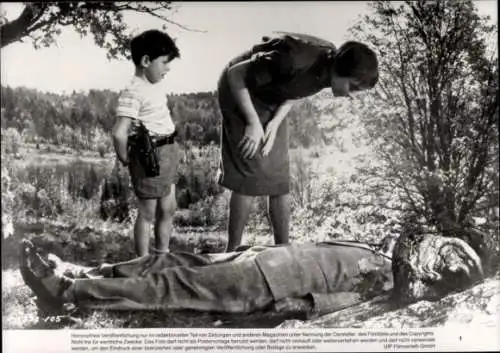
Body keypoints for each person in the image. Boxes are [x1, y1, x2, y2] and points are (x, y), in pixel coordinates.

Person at [216, 32, 379, 251]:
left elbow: (295, 91)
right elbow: (234, 74)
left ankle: (284, 250)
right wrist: (253, 122)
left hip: (271, 96)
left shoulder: (329, 71)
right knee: (250, 167)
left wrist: (274, 124)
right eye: (353, 87)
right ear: (342, 71)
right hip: (240, 89)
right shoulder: (296, 59)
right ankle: (231, 251)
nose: (351, 95)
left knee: (279, 177)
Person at [19, 239, 394, 318]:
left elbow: (336, 302)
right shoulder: (377, 251)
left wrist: (288, 308)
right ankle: (86, 272)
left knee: (171, 284)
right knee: (168, 260)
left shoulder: (392, 279)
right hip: (261, 256)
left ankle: (70, 291)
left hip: (265, 283)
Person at [112, 30, 181, 256]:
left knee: (168, 208)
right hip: (149, 156)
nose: (168, 68)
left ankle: (162, 255)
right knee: (148, 213)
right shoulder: (133, 91)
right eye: (163, 62)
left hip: (168, 151)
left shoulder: (155, 83)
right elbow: (119, 133)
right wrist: (127, 159)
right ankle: (142, 263)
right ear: (145, 61)